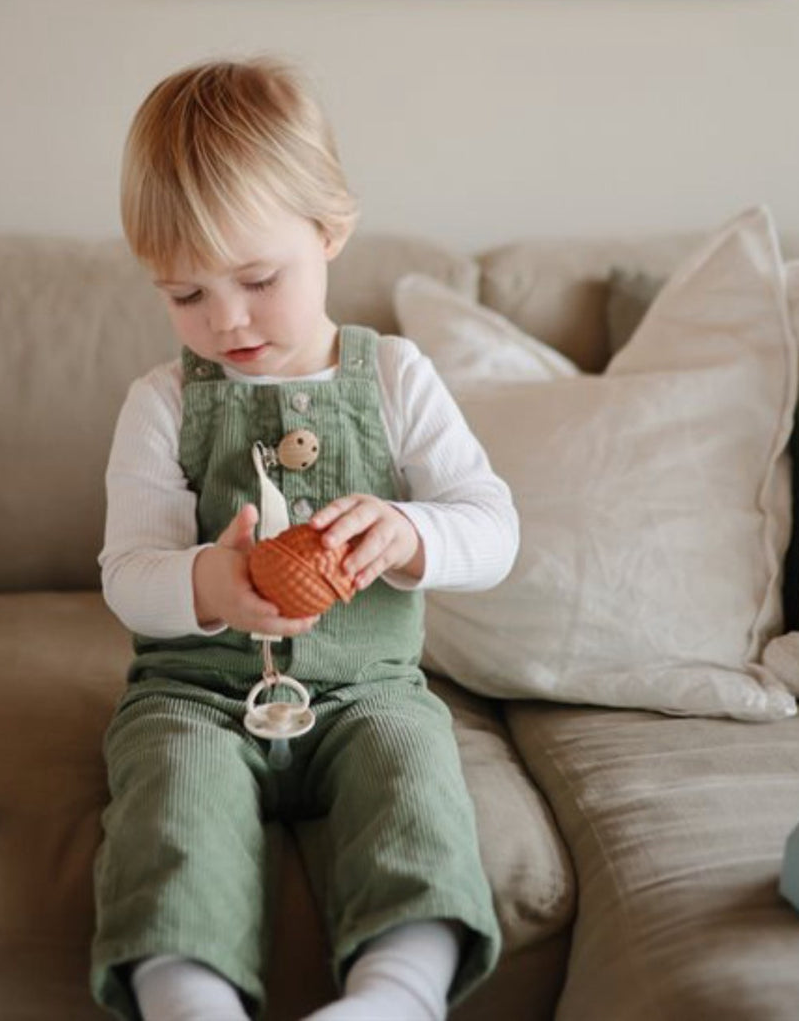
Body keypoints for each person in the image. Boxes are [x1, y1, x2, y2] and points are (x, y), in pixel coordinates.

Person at [91, 57, 519, 1021]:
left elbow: (493, 529)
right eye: (185, 294)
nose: (226, 319)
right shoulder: (162, 405)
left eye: (255, 278)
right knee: (171, 814)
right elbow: (129, 573)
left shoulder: (397, 378)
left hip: (370, 691)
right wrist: (207, 580)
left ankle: (396, 993)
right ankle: (188, 997)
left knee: (416, 798)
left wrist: (408, 530)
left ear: (329, 232)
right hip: (195, 693)